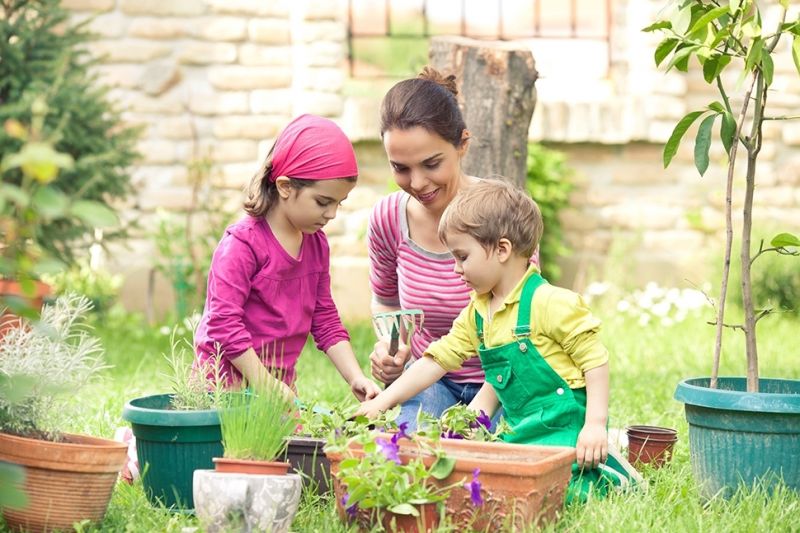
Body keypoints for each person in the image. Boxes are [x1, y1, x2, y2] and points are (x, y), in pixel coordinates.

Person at [358, 179, 634, 502]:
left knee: (562, 494)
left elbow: (595, 360)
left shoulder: (550, 302)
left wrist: (595, 425)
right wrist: (381, 402)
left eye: (462, 257)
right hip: (521, 431)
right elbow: (435, 362)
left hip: (566, 429)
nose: (456, 269)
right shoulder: (478, 312)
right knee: (496, 488)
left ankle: (613, 467)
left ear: (502, 249)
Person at [368, 66, 536, 430]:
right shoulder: (388, 219)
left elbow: (526, 326)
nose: (417, 183)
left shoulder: (502, 213)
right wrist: (392, 349)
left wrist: (475, 417)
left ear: (462, 143)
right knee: (406, 447)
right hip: (431, 378)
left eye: (431, 164)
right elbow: (386, 301)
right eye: (400, 168)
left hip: (504, 381)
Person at [194, 114, 381, 402]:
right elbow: (223, 325)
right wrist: (264, 383)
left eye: (338, 204)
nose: (331, 214)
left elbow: (325, 317)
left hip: (277, 389)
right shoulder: (242, 245)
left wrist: (355, 376)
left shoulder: (316, 243)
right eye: (323, 202)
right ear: (285, 186)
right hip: (222, 388)